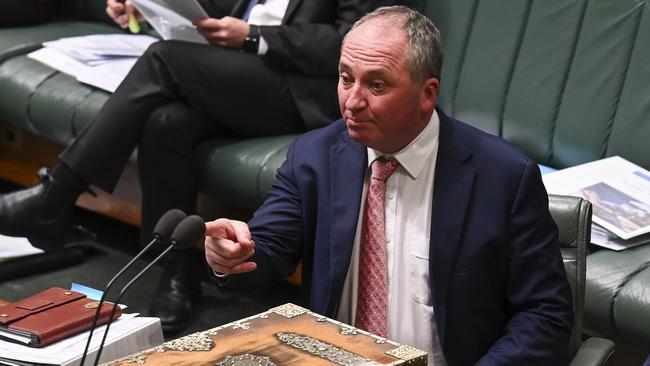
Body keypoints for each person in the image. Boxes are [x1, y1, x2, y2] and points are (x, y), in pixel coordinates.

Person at [0, 0, 404, 333]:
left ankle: (55, 198)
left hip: (304, 87)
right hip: (238, 71)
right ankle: (175, 270)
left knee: (163, 61)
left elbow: (347, 43)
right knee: (166, 122)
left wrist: (254, 38)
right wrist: (145, 9)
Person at [204, 6, 573, 365]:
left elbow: (545, 313)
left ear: (427, 94)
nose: (353, 101)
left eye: (377, 85)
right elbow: (265, 252)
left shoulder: (502, 175)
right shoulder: (315, 157)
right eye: (346, 78)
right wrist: (232, 257)